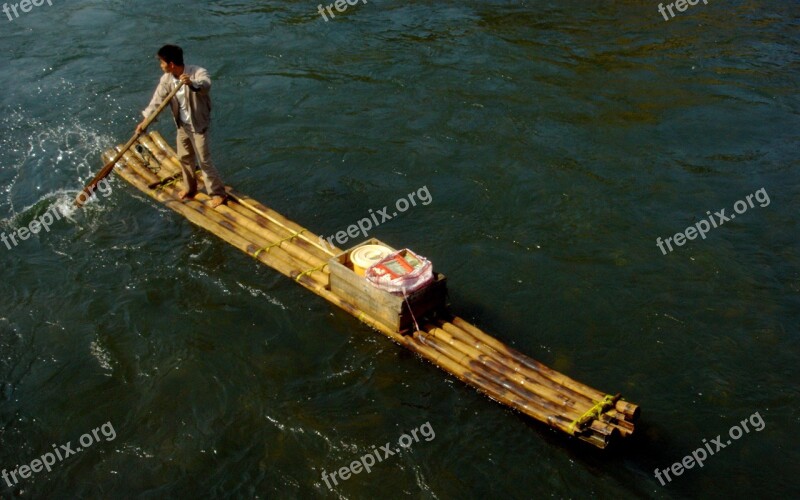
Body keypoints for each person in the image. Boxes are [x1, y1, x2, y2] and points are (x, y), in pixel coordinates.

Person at [136, 44, 227, 208]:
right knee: (184, 158)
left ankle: (218, 193)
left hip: (198, 125)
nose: (160, 66)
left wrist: (191, 84)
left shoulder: (197, 72)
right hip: (182, 125)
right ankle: (190, 188)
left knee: (204, 161)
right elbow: (157, 102)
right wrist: (145, 121)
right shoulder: (166, 79)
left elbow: (205, 85)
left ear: (171, 64)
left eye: (162, 62)